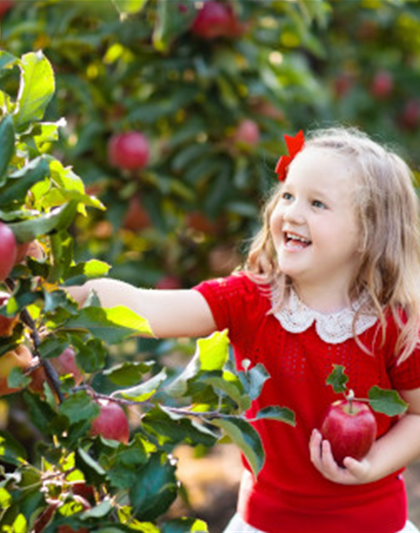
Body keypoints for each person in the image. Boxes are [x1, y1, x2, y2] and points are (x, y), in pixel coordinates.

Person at [68, 126, 420, 533]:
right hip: (266, 524)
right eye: (288, 195)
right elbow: (149, 308)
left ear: (368, 232)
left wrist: (373, 463)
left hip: (369, 526)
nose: (291, 212)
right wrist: (64, 295)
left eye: (318, 203)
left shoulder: (390, 324)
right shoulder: (251, 301)